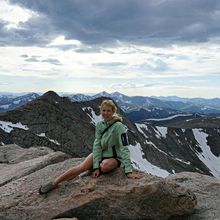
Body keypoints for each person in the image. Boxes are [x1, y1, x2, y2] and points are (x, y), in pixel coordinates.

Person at [39, 99, 143, 194]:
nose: (106, 113)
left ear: (113, 112)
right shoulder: (99, 125)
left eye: (109, 111)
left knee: (105, 166)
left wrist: (128, 171)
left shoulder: (119, 126)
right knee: (81, 167)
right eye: (104, 110)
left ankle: (95, 168)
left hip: (114, 157)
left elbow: (124, 147)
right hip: (101, 154)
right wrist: (96, 167)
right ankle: (54, 183)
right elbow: (97, 146)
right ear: (101, 111)